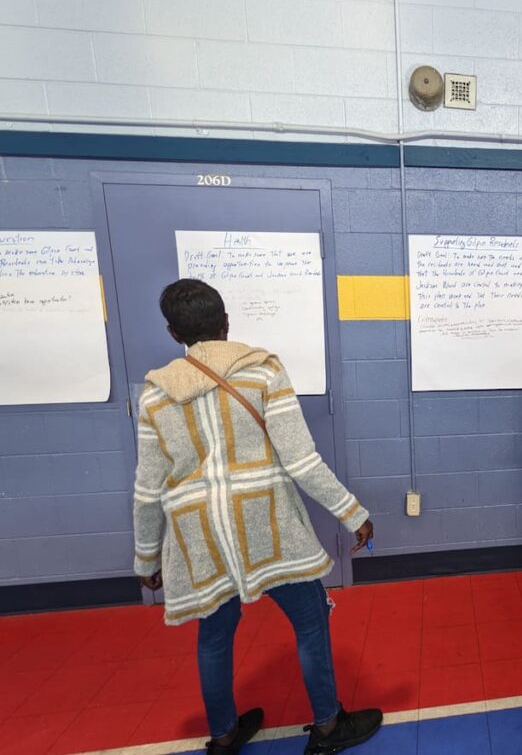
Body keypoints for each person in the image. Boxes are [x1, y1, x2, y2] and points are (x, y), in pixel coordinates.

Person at [133, 279, 382, 755]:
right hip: (267, 525)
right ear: (226, 322)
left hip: (200, 534)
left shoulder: (155, 395)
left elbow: (148, 489)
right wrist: (353, 513)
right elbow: (301, 459)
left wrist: (147, 558)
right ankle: (328, 728)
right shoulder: (262, 372)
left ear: (172, 332)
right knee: (310, 621)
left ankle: (225, 735)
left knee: (215, 634)